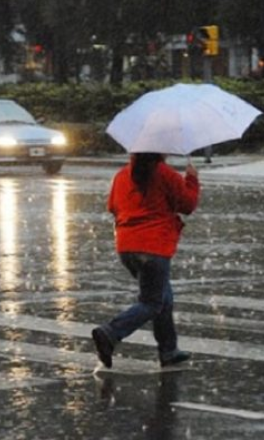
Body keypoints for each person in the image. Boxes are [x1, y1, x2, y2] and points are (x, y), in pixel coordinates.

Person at [92, 153, 200, 369]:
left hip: (127, 247)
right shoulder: (165, 174)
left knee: (163, 296)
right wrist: (192, 179)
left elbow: (112, 206)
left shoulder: (122, 175)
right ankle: (111, 332)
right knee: (152, 302)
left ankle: (168, 350)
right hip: (154, 247)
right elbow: (187, 205)